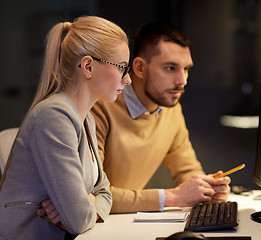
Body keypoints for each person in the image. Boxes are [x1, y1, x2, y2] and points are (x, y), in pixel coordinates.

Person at [0, 16, 131, 240]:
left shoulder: (86, 119)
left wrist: (89, 201)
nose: (127, 79)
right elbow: (78, 220)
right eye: (121, 67)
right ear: (88, 66)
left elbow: (105, 193)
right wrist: (86, 205)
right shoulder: (54, 117)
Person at [91, 22, 231, 213]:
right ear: (139, 68)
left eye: (186, 68)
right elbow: (91, 196)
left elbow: (187, 171)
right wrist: (173, 197)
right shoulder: (99, 108)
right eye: (170, 68)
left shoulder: (171, 110)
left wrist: (206, 190)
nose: (182, 81)